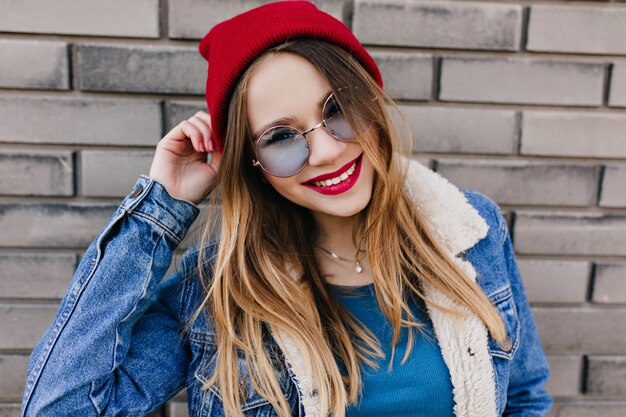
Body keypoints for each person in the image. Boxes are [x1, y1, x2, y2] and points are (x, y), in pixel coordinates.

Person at [21, 1, 552, 416]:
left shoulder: (469, 232)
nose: (325, 150)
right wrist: (161, 210)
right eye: (281, 137)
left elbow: (524, 398)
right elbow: (60, 408)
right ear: (249, 161)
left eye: (339, 109)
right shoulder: (218, 291)